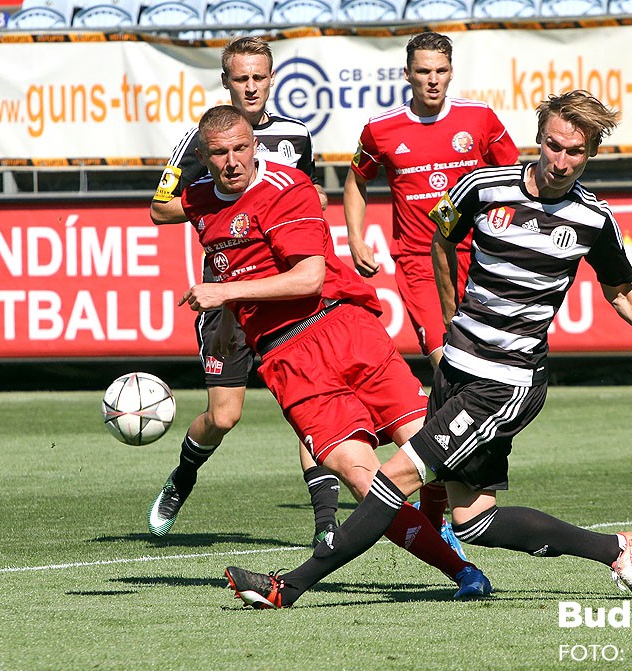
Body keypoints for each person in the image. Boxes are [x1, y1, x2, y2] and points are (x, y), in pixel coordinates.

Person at [224, 90, 632, 610]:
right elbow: (441, 241)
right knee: (474, 520)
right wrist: (449, 320)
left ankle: (288, 587)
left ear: (592, 152)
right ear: (538, 138)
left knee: (392, 478)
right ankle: (616, 549)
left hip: (505, 384)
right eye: (553, 145)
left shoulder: (594, 220)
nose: (560, 161)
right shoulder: (482, 187)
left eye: (575, 151)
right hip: (456, 368)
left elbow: (621, 292)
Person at [180, 104, 492, 600]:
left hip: (343, 328)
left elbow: (309, 277)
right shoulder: (198, 200)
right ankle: (463, 573)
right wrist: (229, 320)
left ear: (255, 145)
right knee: (364, 480)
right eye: (220, 153)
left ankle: (442, 523)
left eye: (241, 148)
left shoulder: (288, 188)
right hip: (287, 360)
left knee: (432, 446)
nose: (233, 161)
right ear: (202, 156)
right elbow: (228, 259)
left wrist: (225, 296)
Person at [147, 36, 339, 544]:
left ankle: (326, 524)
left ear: (271, 79)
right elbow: (160, 207)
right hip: (226, 295)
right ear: (226, 81)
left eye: (258, 77)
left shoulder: (296, 135)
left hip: (285, 294)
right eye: (241, 78)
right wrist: (217, 199)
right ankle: (183, 476)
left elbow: (308, 198)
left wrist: (296, 196)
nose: (250, 86)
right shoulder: (202, 140)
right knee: (224, 415)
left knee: (310, 408)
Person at [345, 30, 519, 547]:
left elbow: (513, 177)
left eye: (440, 70)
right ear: (407, 74)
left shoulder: (480, 120)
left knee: (469, 383)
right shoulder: (381, 129)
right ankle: (444, 507)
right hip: (421, 264)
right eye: (423, 71)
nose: (432, 80)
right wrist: (356, 237)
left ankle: (444, 498)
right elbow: (356, 180)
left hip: (479, 261)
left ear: (451, 72)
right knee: (451, 368)